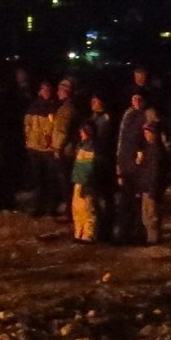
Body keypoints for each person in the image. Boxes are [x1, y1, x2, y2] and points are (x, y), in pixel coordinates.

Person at [119, 103, 169, 243]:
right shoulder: (148, 150)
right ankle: (148, 237)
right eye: (145, 133)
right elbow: (143, 171)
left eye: (148, 133)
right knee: (146, 215)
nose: (146, 135)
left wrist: (153, 190)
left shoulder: (157, 152)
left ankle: (153, 238)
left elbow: (156, 174)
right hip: (146, 188)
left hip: (152, 189)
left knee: (152, 214)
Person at [69, 94, 114, 242]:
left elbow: (93, 166)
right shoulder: (81, 145)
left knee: (88, 208)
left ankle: (89, 234)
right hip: (79, 180)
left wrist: (89, 180)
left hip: (87, 181)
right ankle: (79, 232)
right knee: (77, 207)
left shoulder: (93, 146)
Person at [115, 92, 154, 243]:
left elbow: (151, 140)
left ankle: (139, 233)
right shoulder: (128, 114)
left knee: (138, 201)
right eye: (134, 98)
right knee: (125, 200)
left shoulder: (148, 115)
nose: (136, 101)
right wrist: (118, 163)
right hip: (125, 162)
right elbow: (121, 140)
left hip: (139, 164)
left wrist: (143, 157)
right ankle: (125, 232)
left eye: (139, 98)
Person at [21, 79, 59, 214]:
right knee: (38, 179)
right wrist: (28, 140)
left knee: (50, 179)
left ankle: (51, 207)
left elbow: (55, 127)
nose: (46, 92)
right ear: (39, 91)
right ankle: (38, 207)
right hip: (34, 147)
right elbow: (27, 125)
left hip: (48, 149)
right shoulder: (33, 107)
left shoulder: (55, 107)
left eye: (48, 89)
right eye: (44, 89)